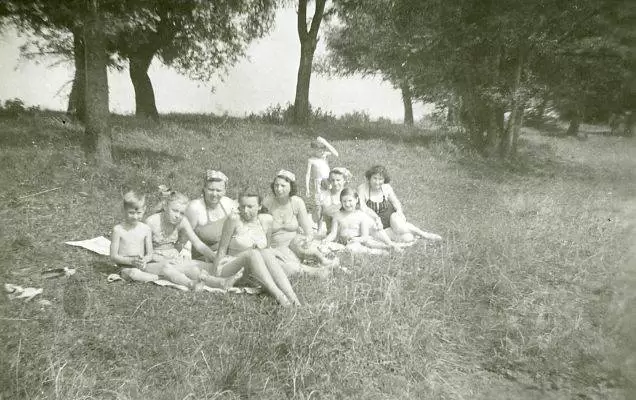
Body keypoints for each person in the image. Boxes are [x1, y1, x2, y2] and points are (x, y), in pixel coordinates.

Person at [120, 191, 239, 290]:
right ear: (165, 206)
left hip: (172, 257)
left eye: (182, 213)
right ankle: (195, 284)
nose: (178, 215)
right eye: (175, 210)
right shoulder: (151, 222)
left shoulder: (182, 221)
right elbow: (141, 250)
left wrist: (215, 258)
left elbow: (197, 243)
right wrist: (158, 259)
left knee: (194, 267)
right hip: (152, 261)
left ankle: (221, 282)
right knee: (171, 268)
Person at [213, 189, 302, 307]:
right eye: (242, 206)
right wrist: (215, 277)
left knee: (265, 252)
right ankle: (280, 296)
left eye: (250, 207)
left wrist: (274, 253)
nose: (245, 210)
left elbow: (267, 249)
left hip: (253, 272)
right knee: (253, 253)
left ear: (259, 206)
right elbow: (222, 250)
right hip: (231, 267)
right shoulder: (234, 219)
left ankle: (293, 298)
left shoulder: (266, 220)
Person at [263, 169, 337, 273]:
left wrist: (308, 239)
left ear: (291, 187)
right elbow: (260, 231)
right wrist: (269, 249)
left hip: (294, 242)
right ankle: (316, 271)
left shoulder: (297, 202)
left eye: (283, 186)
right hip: (277, 246)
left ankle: (323, 260)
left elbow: (308, 231)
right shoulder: (268, 203)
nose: (278, 189)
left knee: (300, 244)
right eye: (276, 185)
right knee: (289, 264)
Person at [357, 165, 442, 243]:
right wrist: (376, 218)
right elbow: (363, 208)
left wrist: (399, 211)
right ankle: (414, 236)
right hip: (376, 223)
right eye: (374, 178)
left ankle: (424, 234)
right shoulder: (362, 188)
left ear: (384, 180)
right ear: (369, 178)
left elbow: (395, 201)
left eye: (380, 179)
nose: (377, 182)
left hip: (390, 217)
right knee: (408, 238)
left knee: (400, 227)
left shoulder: (386, 187)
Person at [322, 188, 403, 255]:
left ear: (356, 200)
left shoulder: (360, 215)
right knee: (325, 247)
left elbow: (365, 236)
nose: (347, 204)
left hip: (357, 240)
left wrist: (357, 240)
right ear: (341, 202)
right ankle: (382, 248)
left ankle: (383, 248)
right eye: (344, 201)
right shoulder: (337, 215)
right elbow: (333, 233)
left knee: (353, 248)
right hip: (343, 241)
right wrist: (326, 240)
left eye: (350, 201)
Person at [185, 170, 237, 260]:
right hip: (204, 258)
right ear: (204, 189)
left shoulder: (229, 204)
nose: (214, 194)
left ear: (225, 191)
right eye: (211, 189)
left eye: (218, 190)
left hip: (227, 255)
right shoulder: (195, 208)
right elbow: (185, 238)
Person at [110, 190, 153, 271]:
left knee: (165, 267)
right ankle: (156, 277)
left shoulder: (146, 229)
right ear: (124, 210)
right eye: (131, 213)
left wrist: (144, 260)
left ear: (144, 210)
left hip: (140, 265)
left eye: (139, 213)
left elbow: (150, 254)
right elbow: (113, 256)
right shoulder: (118, 230)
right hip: (124, 267)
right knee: (134, 273)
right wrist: (131, 261)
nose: (135, 217)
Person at [315, 167, 351, 235]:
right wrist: (319, 231)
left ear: (344, 180)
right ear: (329, 181)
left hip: (349, 232)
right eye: (332, 180)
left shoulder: (349, 194)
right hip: (331, 233)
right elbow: (318, 216)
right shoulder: (324, 195)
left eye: (338, 180)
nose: (335, 183)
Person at [305, 136, 339, 202]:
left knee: (331, 198)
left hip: (328, 180)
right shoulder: (311, 160)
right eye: (319, 151)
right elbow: (308, 175)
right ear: (314, 150)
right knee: (319, 200)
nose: (322, 152)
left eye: (323, 150)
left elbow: (336, 154)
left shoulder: (325, 155)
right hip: (318, 182)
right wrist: (307, 189)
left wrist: (325, 142)